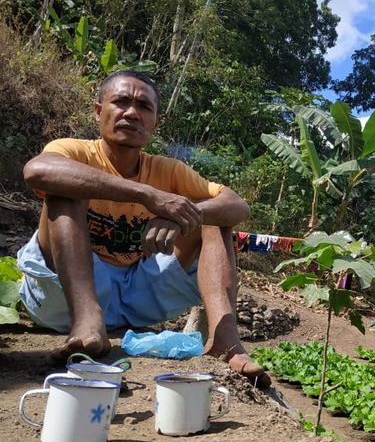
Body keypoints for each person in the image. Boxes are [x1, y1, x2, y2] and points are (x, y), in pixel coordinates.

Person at [17, 70, 271, 388]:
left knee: (215, 222)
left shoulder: (168, 169)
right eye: (120, 101)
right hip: (61, 299)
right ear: (99, 111)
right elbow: (36, 170)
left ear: (155, 123)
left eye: (143, 106)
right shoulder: (73, 151)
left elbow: (237, 205)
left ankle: (225, 342)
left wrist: (181, 217)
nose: (132, 112)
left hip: (137, 294)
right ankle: (86, 323)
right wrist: (147, 195)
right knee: (65, 189)